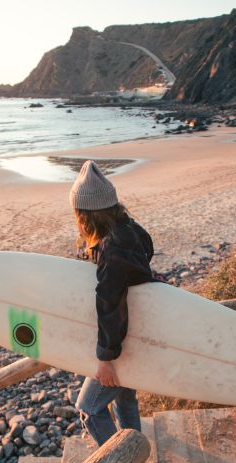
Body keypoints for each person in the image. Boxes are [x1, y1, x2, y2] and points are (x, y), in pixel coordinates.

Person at [69, 160, 155, 446]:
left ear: (86, 215)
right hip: (140, 331)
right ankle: (136, 457)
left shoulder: (112, 249)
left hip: (121, 340)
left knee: (89, 409)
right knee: (125, 396)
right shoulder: (129, 229)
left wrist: (105, 359)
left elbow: (110, 303)